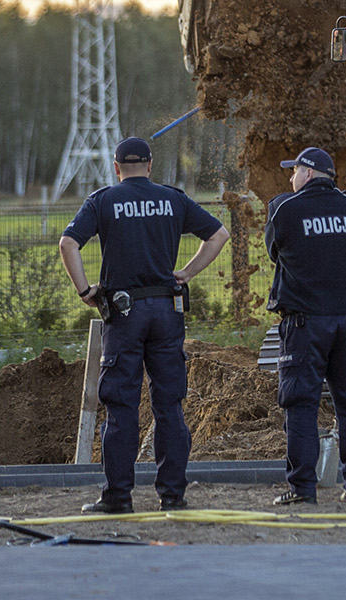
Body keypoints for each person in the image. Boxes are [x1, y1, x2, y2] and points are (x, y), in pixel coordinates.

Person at [59, 137, 229, 514]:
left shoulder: (103, 200)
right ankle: (173, 496)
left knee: (121, 407)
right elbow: (219, 235)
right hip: (167, 311)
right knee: (170, 406)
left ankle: (118, 497)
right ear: (150, 165)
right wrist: (187, 273)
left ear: (117, 169)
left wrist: (86, 290)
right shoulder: (173, 198)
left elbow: (68, 243)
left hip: (124, 313)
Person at [265, 146, 346, 506]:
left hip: (305, 323)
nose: (290, 177)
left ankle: (302, 488)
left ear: (309, 173)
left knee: (300, 404)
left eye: (294, 170)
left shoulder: (286, 209)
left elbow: (273, 249)